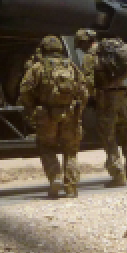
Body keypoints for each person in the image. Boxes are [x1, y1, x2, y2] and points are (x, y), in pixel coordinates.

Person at [19, 35, 89, 199]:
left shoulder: (37, 67)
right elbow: (84, 91)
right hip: (70, 113)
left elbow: (24, 91)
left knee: (46, 147)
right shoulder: (71, 66)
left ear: (43, 49)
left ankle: (55, 177)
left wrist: (32, 108)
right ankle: (71, 186)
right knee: (70, 151)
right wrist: (79, 108)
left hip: (46, 114)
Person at [75, 29, 127, 186]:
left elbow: (88, 82)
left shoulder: (90, 57)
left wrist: (87, 99)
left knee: (109, 137)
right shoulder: (110, 50)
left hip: (106, 99)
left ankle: (118, 175)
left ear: (84, 43)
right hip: (122, 96)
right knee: (126, 134)